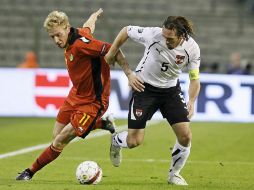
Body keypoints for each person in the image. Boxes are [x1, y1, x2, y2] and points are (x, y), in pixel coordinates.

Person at [16, 8, 126, 180]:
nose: (56, 40)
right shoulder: (77, 35)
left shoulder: (80, 44)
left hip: (93, 102)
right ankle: (102, 124)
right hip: (75, 95)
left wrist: (129, 73)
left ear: (67, 28)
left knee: (60, 141)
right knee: (56, 136)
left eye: (58, 35)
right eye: (52, 36)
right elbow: (88, 27)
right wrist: (94, 16)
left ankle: (29, 172)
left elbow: (112, 49)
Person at [105, 16, 201, 185]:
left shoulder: (192, 49)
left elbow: (194, 79)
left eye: (170, 38)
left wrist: (191, 101)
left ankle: (174, 174)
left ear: (182, 36)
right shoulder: (153, 34)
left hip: (171, 91)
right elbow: (126, 29)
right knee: (134, 141)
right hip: (144, 89)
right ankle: (116, 140)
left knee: (185, 136)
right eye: (164, 35)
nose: (165, 39)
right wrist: (112, 51)